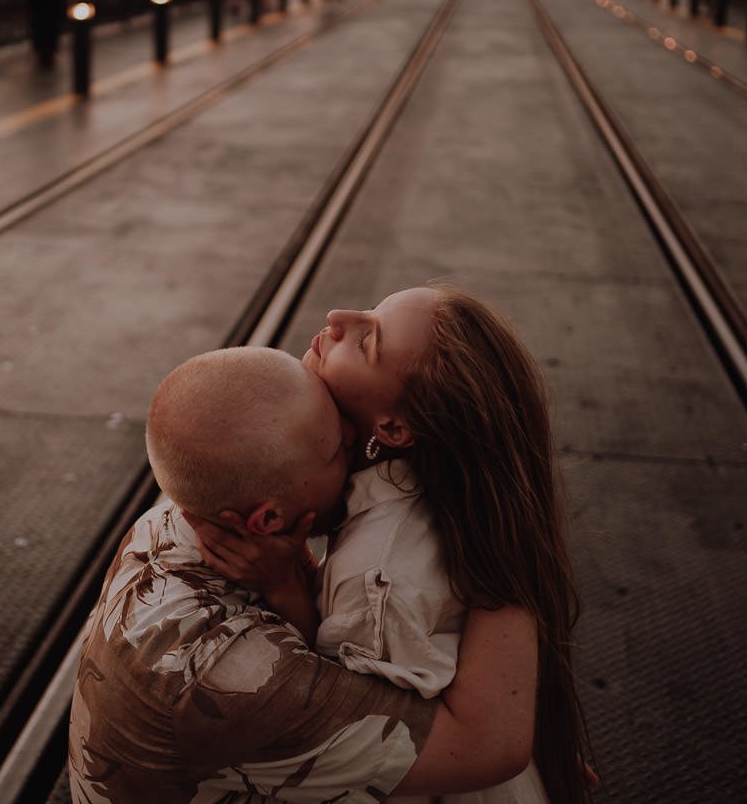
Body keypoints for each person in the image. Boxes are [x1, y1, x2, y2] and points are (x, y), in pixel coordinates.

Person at [68, 346, 539, 802]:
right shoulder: (229, 672)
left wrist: (289, 581)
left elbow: (305, 652)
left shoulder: (169, 521)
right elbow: (487, 750)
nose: (357, 444)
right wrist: (505, 515)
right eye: (338, 448)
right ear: (268, 521)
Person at [187, 285, 592, 804]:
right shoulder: (439, 490)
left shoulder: (379, 573)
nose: (337, 316)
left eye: (367, 341)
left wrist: (285, 586)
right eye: (368, 312)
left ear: (396, 427)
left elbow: (358, 724)